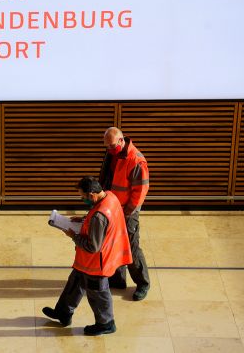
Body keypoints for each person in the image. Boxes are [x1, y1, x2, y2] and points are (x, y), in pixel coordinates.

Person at [42, 176, 132, 336]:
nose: (82, 200)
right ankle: (63, 313)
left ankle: (106, 323)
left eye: (83, 197)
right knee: (75, 283)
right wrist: (84, 220)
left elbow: (93, 246)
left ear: (92, 194)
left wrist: (73, 235)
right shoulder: (110, 197)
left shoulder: (99, 216)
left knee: (98, 294)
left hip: (96, 263)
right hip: (90, 261)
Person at [99, 127, 151, 301]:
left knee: (131, 247)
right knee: (113, 244)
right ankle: (117, 279)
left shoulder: (136, 160)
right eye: (107, 147)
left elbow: (140, 191)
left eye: (112, 146)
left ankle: (143, 284)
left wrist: (127, 213)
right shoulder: (112, 153)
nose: (110, 150)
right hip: (111, 208)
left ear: (121, 140)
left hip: (127, 212)